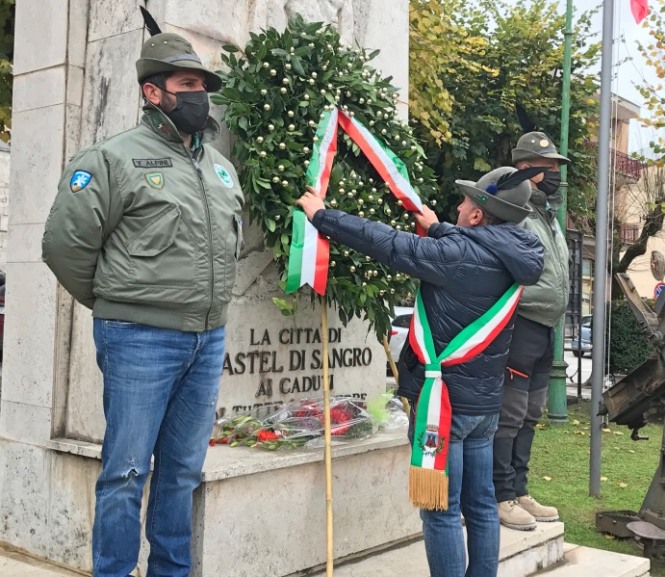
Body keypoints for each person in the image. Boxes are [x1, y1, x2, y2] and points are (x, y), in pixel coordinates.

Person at [42, 31, 244, 577]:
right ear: (153, 93)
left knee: (182, 472)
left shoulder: (219, 169)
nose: (200, 95)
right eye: (187, 85)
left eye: (203, 85)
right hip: (138, 339)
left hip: (207, 340)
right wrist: (117, 305)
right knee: (125, 473)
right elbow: (64, 247)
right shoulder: (112, 159)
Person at [297, 167, 544, 577]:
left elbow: (390, 244)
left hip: (446, 408)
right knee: (481, 505)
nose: (460, 206)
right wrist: (438, 227)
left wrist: (323, 216)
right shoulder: (516, 255)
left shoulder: (458, 254)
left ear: (478, 215)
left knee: (442, 509)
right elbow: (467, 248)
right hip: (484, 406)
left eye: (466, 202)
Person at [492, 132, 570, 531]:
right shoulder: (514, 212)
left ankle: (520, 490)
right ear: (526, 170)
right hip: (520, 325)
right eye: (549, 167)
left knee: (530, 414)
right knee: (510, 414)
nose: (556, 174)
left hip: (545, 328)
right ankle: (501, 495)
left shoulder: (547, 214)